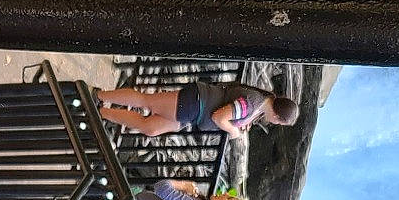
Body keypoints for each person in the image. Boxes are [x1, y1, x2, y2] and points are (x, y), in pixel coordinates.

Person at [96, 81, 298, 141]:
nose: (275, 124)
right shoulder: (254, 103)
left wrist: (238, 125)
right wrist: (234, 131)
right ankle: (99, 96)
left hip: (195, 112)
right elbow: (220, 117)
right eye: (279, 122)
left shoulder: (259, 105)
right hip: (197, 103)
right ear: (279, 117)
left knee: (151, 128)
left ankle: (102, 113)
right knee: (146, 102)